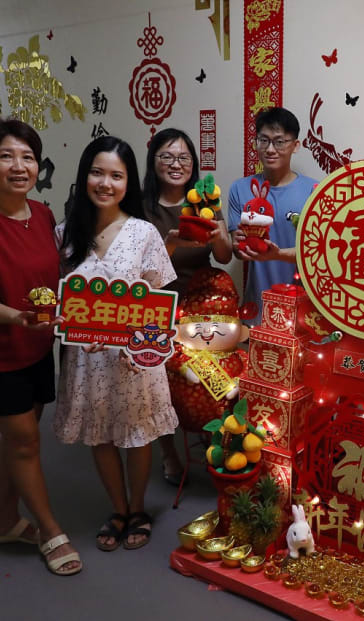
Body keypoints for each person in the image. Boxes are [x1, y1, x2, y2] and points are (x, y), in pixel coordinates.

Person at [0, 118, 82, 576]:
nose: (19, 166)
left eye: (27, 156)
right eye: (6, 156)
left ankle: (5, 520)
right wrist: (17, 317)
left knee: (16, 440)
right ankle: (49, 530)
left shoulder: (43, 214)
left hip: (36, 347)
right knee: (25, 441)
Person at [53, 136, 178, 551]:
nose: (105, 183)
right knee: (101, 435)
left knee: (138, 433)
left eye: (116, 176)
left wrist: (130, 337)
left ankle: (139, 508)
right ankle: (119, 508)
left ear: (129, 183)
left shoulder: (144, 232)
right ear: (85, 175)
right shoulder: (64, 234)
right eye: (97, 172)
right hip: (86, 362)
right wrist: (68, 322)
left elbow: (160, 306)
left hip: (134, 359)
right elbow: (59, 300)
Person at [142, 129, 231, 486]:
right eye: (167, 157)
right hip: (158, 302)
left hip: (200, 301)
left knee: (214, 368)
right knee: (156, 375)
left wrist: (219, 235)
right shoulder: (141, 207)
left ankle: (211, 432)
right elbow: (143, 272)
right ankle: (168, 451)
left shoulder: (205, 200)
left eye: (184, 158)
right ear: (154, 162)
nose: (176, 165)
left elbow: (224, 257)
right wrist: (172, 243)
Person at [228, 107, 317, 326]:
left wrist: (278, 254)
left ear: (295, 145)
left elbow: (318, 254)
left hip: (302, 311)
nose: (270, 149)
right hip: (256, 308)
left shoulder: (314, 191)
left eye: (279, 142)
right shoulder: (240, 189)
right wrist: (239, 245)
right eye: (263, 140)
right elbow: (238, 253)